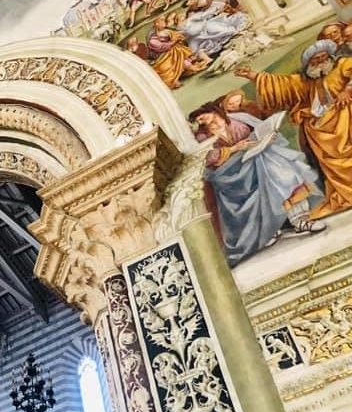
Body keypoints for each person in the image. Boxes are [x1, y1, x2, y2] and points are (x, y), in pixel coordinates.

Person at [191, 103, 323, 263]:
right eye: (199, 120)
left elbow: (257, 134)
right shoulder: (202, 136)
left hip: (254, 158)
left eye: (202, 116)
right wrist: (234, 149)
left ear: (211, 111)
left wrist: (268, 139)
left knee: (276, 165)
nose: (202, 121)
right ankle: (269, 230)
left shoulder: (236, 120)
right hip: (230, 173)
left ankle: (301, 220)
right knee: (270, 163)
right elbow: (208, 158)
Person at [237, 39, 352, 219]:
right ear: (309, 64)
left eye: (323, 57)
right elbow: (282, 84)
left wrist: (348, 89)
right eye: (315, 60)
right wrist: (252, 75)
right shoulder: (306, 81)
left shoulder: (343, 65)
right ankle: (346, 192)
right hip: (320, 129)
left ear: (330, 57)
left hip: (345, 118)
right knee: (316, 138)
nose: (320, 61)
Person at [147, 15, 210, 88]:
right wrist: (173, 42)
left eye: (164, 20)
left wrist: (179, 37)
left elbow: (178, 35)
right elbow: (160, 46)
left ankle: (192, 67)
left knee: (184, 58)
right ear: (156, 24)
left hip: (177, 51)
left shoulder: (168, 31)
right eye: (161, 20)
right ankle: (173, 80)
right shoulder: (153, 38)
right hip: (166, 56)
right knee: (165, 68)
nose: (164, 22)